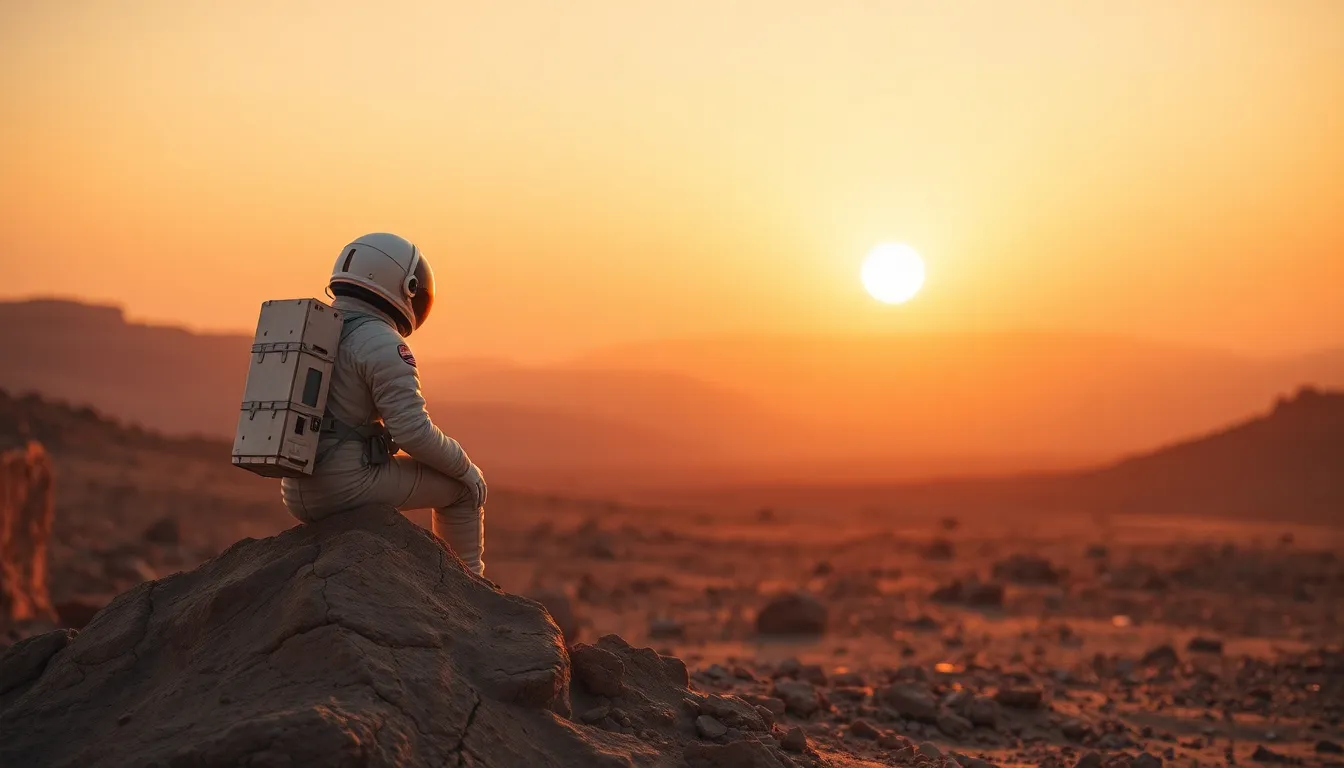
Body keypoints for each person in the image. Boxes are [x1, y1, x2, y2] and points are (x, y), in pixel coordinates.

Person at [280, 233, 489, 576]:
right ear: (401, 285)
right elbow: (411, 431)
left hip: (297, 485)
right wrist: (465, 468)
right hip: (345, 486)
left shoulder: (316, 327)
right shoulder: (379, 341)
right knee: (463, 491)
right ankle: (471, 588)